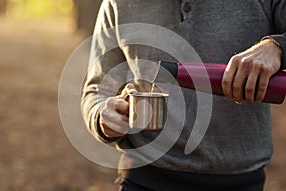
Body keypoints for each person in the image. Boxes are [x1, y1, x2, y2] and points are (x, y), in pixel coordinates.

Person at [81, 0, 286, 190]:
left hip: (240, 180)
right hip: (144, 177)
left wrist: (277, 47)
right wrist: (102, 115)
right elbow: (97, 88)